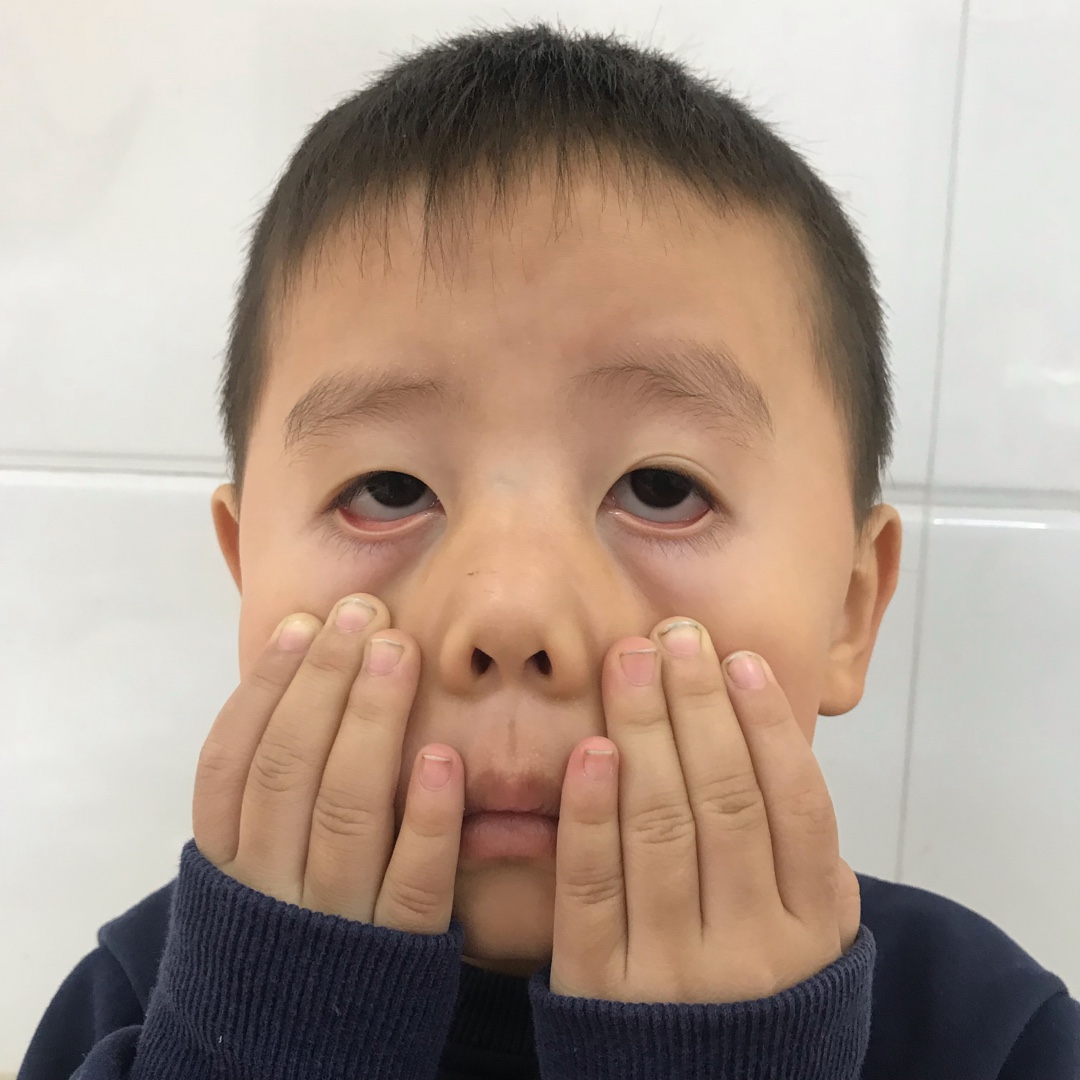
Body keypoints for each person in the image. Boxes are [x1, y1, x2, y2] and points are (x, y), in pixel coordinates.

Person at [17, 22, 1079, 1080]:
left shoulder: (987, 1033)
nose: (512, 612)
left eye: (663, 489)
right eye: (388, 491)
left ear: (849, 610)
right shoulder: (143, 1000)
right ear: (247, 573)